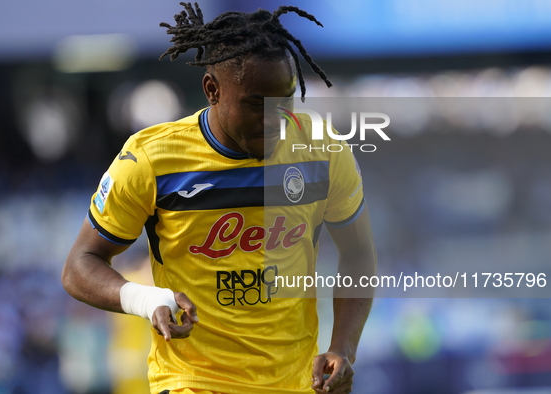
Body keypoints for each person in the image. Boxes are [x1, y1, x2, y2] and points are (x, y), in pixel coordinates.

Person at [62, 3, 377, 394]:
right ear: (212, 89)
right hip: (193, 382)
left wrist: (342, 348)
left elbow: (360, 254)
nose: (274, 118)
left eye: (286, 100)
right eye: (255, 104)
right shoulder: (152, 160)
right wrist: (145, 299)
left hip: (296, 384)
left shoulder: (322, 150)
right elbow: (80, 265)